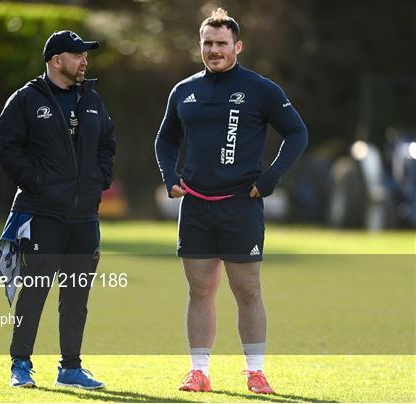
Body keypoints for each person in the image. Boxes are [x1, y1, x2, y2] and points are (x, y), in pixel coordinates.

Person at [155, 8, 307, 394]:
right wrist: (170, 177)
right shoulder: (184, 90)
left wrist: (269, 178)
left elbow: (297, 133)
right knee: (200, 290)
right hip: (196, 207)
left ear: (237, 46)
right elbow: (165, 139)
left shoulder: (260, 88)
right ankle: (198, 372)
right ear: (200, 46)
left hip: (241, 204)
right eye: (207, 43)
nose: (214, 50)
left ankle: (256, 372)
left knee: (248, 290)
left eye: (221, 43)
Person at [0, 30, 115, 389]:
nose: (84, 61)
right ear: (56, 60)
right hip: (41, 213)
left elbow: (107, 144)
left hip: (84, 216)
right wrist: (37, 184)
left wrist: (99, 181)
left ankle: (71, 367)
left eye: (85, 55)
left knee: (77, 295)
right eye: (77, 55)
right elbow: (6, 149)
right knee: (34, 291)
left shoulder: (92, 99)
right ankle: (20, 364)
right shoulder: (25, 100)